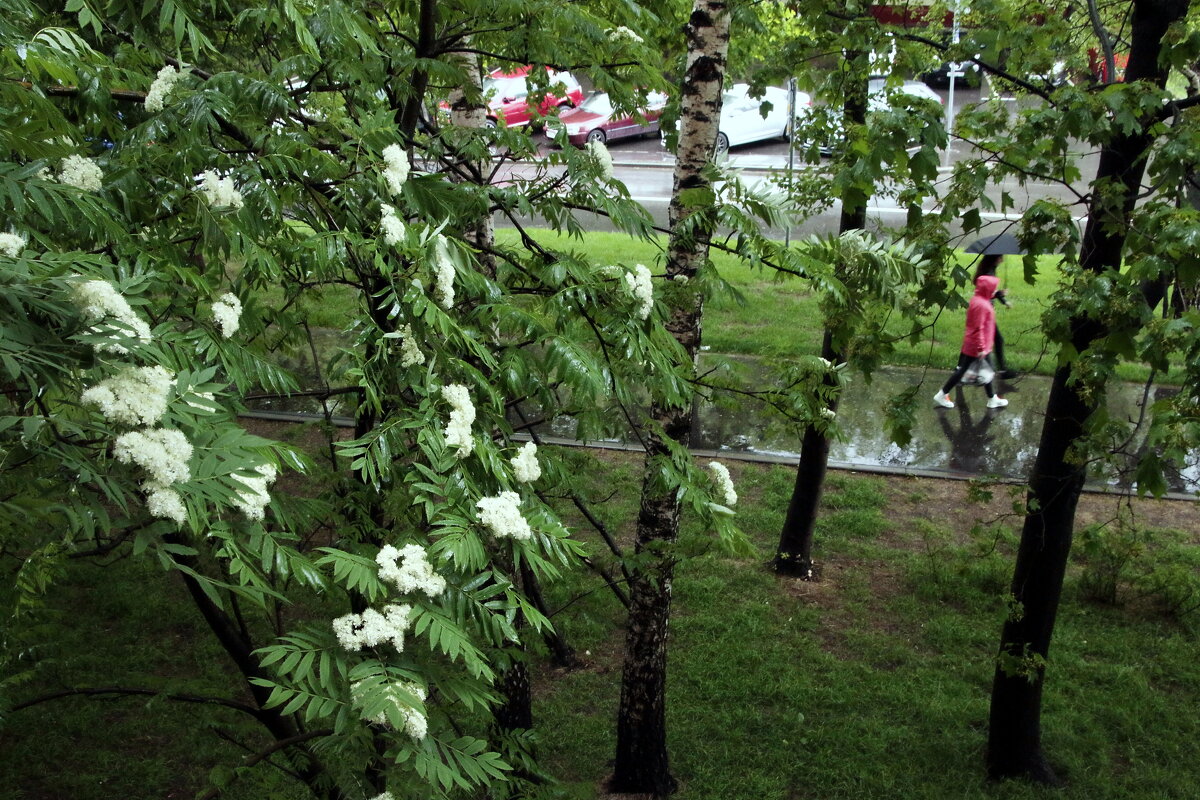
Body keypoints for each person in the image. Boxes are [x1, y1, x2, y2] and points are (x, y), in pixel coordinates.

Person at [934, 261, 1008, 409]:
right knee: (964, 371)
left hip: (980, 345)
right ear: (987, 289)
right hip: (977, 346)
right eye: (993, 289)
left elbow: (988, 299)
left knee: (988, 370)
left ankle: (992, 398)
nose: (994, 291)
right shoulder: (981, 305)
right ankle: (942, 394)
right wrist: (981, 348)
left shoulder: (980, 299)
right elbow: (977, 328)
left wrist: (999, 295)